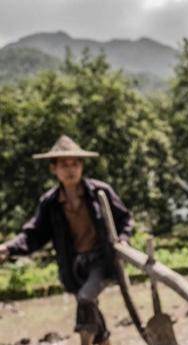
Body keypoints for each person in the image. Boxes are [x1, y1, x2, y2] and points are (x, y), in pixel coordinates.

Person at [0, 135, 133, 345]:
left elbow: (125, 219)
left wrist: (123, 240)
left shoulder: (100, 192)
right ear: (54, 169)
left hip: (101, 260)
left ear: (82, 166)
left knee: (86, 298)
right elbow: (34, 234)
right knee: (90, 306)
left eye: (75, 163)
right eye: (64, 164)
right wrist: (8, 248)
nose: (71, 169)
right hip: (73, 265)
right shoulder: (50, 203)